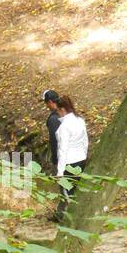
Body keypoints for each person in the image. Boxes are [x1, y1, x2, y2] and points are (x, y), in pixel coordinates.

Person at [53, 94, 88, 222]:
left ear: (62, 109)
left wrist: (60, 171)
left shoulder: (64, 127)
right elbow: (85, 141)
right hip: (81, 160)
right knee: (77, 190)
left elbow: (63, 150)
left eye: (58, 111)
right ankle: (77, 216)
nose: (58, 114)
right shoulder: (80, 120)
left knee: (67, 192)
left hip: (69, 163)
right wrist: (85, 155)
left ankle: (68, 218)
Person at [42, 89, 62, 172]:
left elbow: (54, 141)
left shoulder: (53, 119)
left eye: (46, 103)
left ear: (50, 102)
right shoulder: (67, 112)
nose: (46, 106)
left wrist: (55, 160)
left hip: (63, 157)